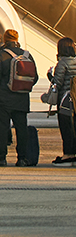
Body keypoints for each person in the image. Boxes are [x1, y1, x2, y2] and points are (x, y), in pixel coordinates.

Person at [0, 28, 32, 166]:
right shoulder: (27, 55)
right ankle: (22, 158)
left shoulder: (1, 55)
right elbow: (35, 77)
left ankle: (1, 157)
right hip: (22, 99)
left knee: (1, 129)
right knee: (21, 130)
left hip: (3, 99)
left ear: (4, 39)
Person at [47, 35, 76, 164]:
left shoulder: (62, 63)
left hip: (65, 101)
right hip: (75, 100)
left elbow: (57, 83)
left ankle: (68, 154)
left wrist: (50, 75)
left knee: (66, 128)